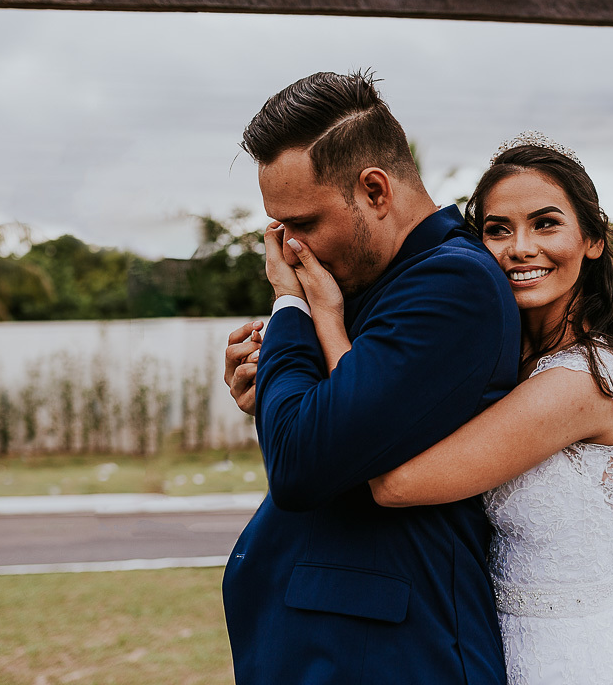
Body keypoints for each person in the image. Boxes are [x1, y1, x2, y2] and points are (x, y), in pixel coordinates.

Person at [266, 132, 613, 684]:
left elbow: (393, 483)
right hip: (496, 643)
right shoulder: (509, 367)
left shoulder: (582, 382)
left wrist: (324, 315)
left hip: (572, 658)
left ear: (591, 240)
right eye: (498, 229)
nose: (520, 248)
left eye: (546, 224)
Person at [221, 70, 521, 684]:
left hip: (390, 658)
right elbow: (320, 428)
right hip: (322, 649)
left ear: (375, 191)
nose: (286, 249)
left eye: (302, 223)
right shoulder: (370, 276)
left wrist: (289, 309)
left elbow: (302, 464)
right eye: (277, 228)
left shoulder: (451, 286)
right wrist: (272, 383)